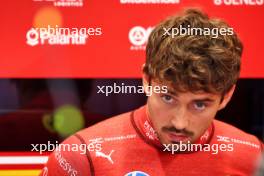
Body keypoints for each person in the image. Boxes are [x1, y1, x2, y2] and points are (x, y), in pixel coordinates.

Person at [39, 8, 263, 176]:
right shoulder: (79, 157)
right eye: (168, 97)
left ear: (227, 96)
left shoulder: (253, 156)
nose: (180, 123)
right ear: (146, 80)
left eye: (200, 104)